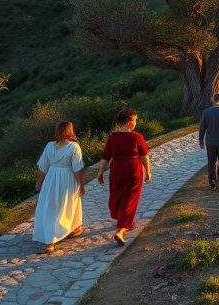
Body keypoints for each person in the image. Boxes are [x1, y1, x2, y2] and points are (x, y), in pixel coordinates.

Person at [97, 106, 151, 246]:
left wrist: (100, 172)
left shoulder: (112, 137)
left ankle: (121, 219)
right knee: (130, 198)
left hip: (117, 170)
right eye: (135, 120)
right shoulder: (137, 137)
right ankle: (122, 230)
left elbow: (106, 157)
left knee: (118, 195)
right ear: (129, 121)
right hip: (133, 169)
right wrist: (148, 171)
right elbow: (144, 156)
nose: (136, 123)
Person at [33, 121, 86, 254]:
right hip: (67, 178)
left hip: (51, 178)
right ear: (70, 131)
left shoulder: (49, 146)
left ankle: (71, 229)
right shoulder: (74, 147)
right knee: (65, 206)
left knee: (51, 206)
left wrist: (39, 182)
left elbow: (43, 167)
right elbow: (77, 169)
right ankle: (50, 241)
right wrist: (81, 185)